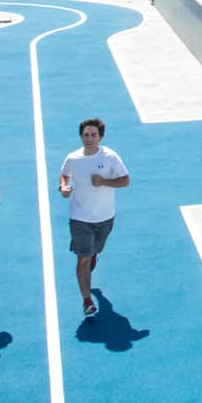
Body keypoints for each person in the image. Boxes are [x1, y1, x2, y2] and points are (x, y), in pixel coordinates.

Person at [59, 118, 130, 317]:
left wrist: (104, 181)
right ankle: (87, 300)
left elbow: (125, 180)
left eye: (93, 135)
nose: (89, 138)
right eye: (86, 135)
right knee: (82, 258)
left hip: (105, 217)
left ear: (100, 137)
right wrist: (64, 186)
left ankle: (93, 256)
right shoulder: (73, 158)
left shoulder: (110, 157)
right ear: (81, 136)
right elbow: (64, 174)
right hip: (79, 217)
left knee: (94, 251)